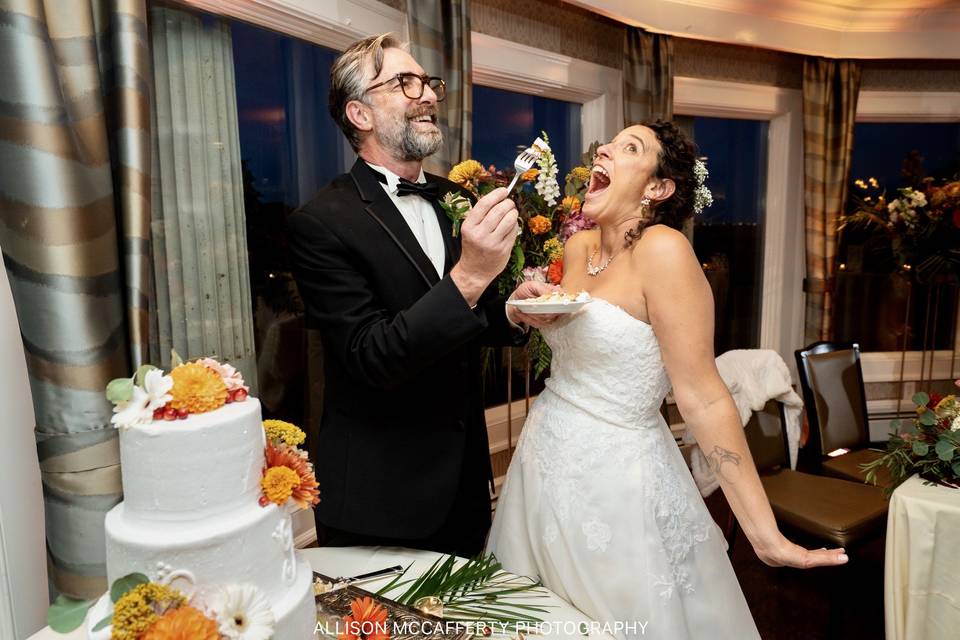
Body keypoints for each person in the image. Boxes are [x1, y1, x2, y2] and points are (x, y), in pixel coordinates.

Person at [487, 121, 848, 638]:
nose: (605, 148)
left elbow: (702, 397)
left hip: (616, 483)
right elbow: (573, 338)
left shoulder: (664, 251)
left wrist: (764, 533)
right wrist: (528, 307)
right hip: (542, 458)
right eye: (609, 142)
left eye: (629, 147)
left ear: (657, 189)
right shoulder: (577, 247)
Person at [287, 34, 550, 557]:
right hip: (380, 501)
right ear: (359, 114)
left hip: (465, 489)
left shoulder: (455, 198)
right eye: (404, 83)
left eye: (428, 82)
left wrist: (514, 309)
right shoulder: (320, 223)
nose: (427, 94)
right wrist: (472, 274)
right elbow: (373, 357)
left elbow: (463, 321)